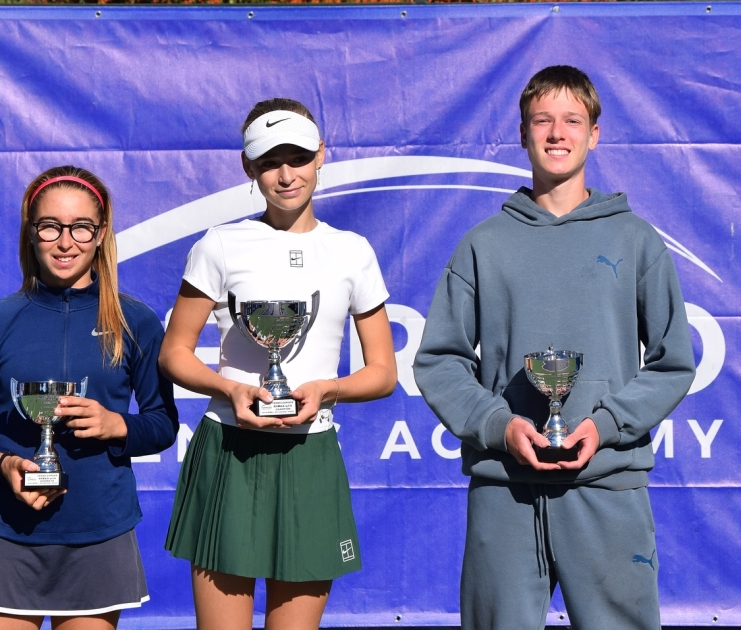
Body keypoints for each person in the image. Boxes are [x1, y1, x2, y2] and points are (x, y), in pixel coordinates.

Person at [413, 66, 695, 630]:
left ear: (595, 133)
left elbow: (672, 361)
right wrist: (499, 425)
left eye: (572, 120)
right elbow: (439, 360)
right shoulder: (482, 244)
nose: (557, 133)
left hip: (608, 485)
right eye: (542, 120)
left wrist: (607, 423)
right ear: (522, 134)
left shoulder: (634, 239)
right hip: (505, 489)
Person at [161, 97, 397, 630]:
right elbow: (174, 352)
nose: (286, 175)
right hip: (229, 450)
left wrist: (327, 390)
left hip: (310, 453)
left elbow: (383, 371)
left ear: (321, 156)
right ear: (249, 169)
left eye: (297, 158)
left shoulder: (353, 250)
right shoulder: (219, 244)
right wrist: (230, 391)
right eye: (269, 162)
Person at [0, 166, 179, 630]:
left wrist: (118, 425)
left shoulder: (134, 321)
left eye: (81, 227)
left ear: (101, 234)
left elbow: (163, 423)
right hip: (7, 531)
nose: (65, 242)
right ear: (30, 232)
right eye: (50, 226)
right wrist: (4, 463)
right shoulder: (3, 319)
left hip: (99, 531)